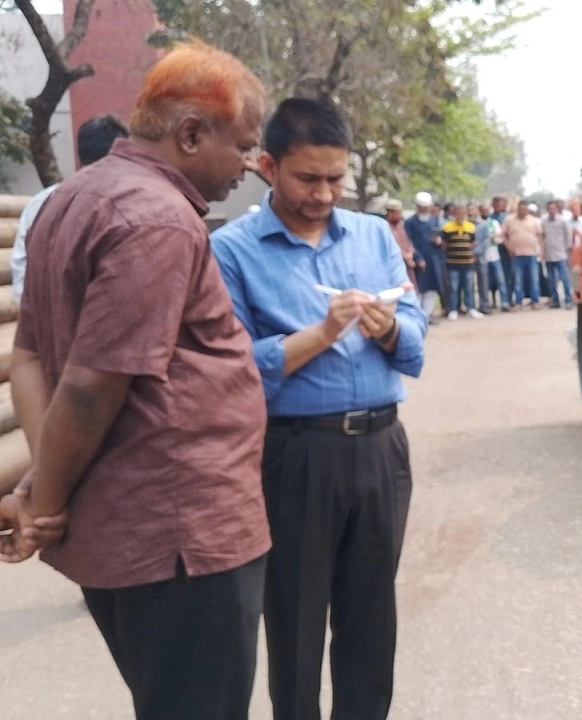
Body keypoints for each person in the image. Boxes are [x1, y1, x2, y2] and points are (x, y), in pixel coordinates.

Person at [3, 42, 271, 720]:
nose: (246, 168)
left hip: (127, 530)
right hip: (179, 537)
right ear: (189, 133)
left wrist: (41, 488)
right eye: (240, 147)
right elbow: (92, 386)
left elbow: (31, 355)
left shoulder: (68, 201)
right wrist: (49, 502)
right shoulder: (156, 220)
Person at [211, 97, 426, 720]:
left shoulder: (370, 235)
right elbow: (235, 368)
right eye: (309, 178)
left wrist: (388, 330)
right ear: (268, 167)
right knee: (296, 620)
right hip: (295, 453)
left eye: (337, 178)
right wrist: (320, 334)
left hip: (382, 448)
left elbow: (414, 337)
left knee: (371, 614)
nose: (326, 194)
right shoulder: (232, 251)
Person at [11, 115, 130, 305]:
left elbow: (21, 275)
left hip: (42, 320)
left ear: (79, 154)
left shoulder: (41, 201)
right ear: (121, 154)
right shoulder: (127, 202)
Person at [404, 191, 446, 320]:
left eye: (427, 208)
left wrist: (439, 241)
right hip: (418, 261)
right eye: (422, 208)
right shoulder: (409, 223)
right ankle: (417, 315)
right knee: (418, 288)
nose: (425, 210)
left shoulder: (434, 220)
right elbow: (409, 242)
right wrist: (418, 258)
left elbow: (440, 236)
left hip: (434, 260)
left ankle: (426, 315)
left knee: (432, 288)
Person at [441, 202, 484, 320]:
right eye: (458, 213)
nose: (460, 216)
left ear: (465, 214)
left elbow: (473, 242)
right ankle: (453, 310)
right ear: (454, 214)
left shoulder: (471, 227)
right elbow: (444, 244)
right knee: (453, 288)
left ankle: (471, 308)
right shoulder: (447, 227)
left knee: (469, 287)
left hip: (468, 263)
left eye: (462, 213)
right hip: (453, 262)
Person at [502, 199, 544, 309]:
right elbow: (503, 235)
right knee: (518, 280)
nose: (523, 212)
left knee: (534, 279)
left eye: (525, 210)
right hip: (516, 255)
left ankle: (535, 301)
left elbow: (540, 236)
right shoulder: (509, 220)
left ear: (528, 210)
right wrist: (509, 247)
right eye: (521, 209)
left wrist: (541, 250)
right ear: (517, 209)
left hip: (532, 254)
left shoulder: (534, 220)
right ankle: (518, 302)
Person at [542, 200, 575, 309]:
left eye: (553, 209)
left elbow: (568, 237)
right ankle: (555, 300)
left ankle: (568, 300)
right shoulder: (544, 222)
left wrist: (567, 251)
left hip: (561, 254)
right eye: (549, 209)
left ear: (557, 209)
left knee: (565, 278)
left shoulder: (563, 221)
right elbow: (543, 237)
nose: (551, 211)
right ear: (547, 210)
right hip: (549, 255)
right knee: (551, 280)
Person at [384, 198, 418, 292]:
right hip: (394, 267)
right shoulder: (384, 227)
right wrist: (405, 256)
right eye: (397, 213)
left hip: (408, 265)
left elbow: (410, 241)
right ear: (390, 213)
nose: (400, 215)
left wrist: (410, 254)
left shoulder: (403, 225)